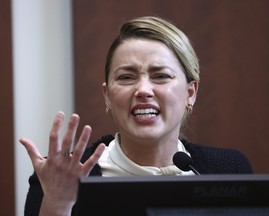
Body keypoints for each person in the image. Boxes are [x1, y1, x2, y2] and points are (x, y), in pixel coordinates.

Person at [20, 16, 253, 216]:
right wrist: (58, 205)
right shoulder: (62, 176)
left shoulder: (228, 170)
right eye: (126, 77)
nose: (143, 90)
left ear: (189, 94)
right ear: (108, 96)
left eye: (160, 76)